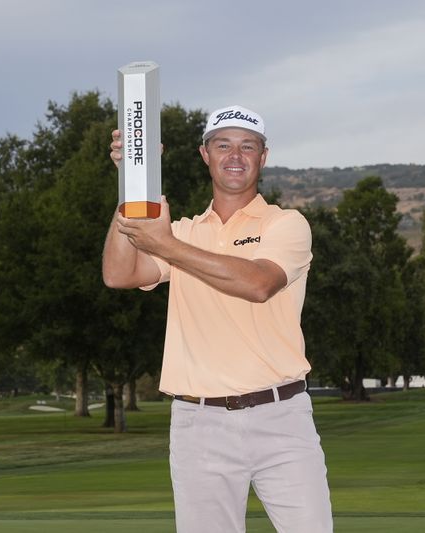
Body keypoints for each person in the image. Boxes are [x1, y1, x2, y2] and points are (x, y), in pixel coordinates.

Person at [102, 105, 332, 532]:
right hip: (199, 424)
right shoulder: (185, 231)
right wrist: (131, 182)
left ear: (263, 157)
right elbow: (119, 274)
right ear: (204, 154)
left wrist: (166, 245)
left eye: (248, 146)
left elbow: (259, 283)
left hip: (281, 416)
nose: (235, 155)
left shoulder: (287, 224)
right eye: (222, 145)